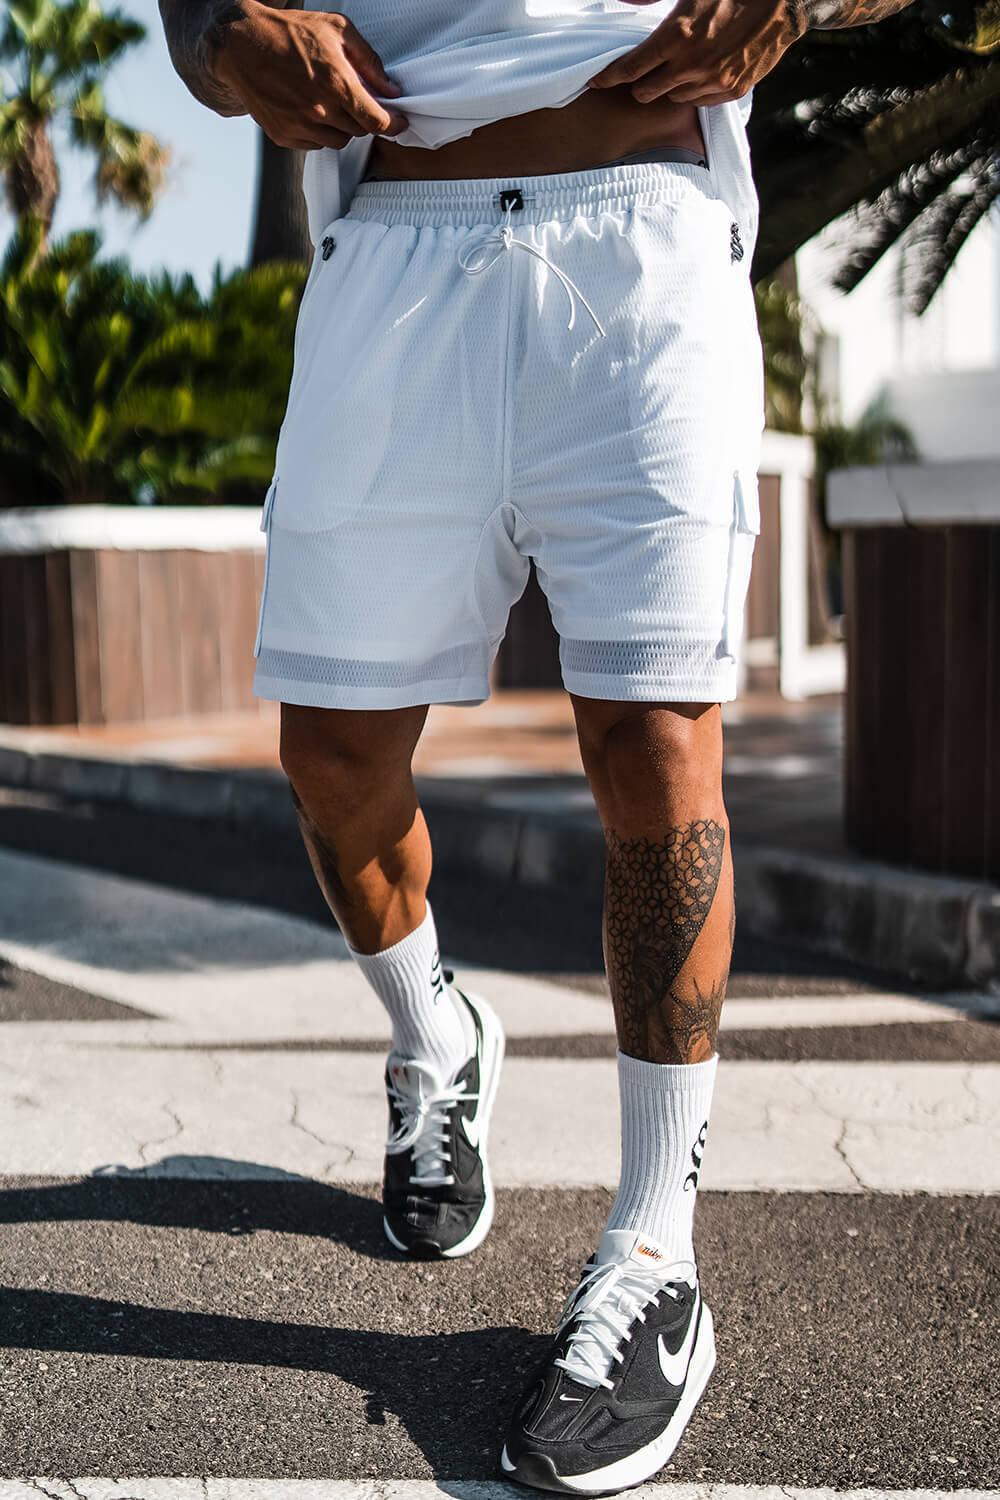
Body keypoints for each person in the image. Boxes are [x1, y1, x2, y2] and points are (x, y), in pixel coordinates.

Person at [159, 0, 912, 1489]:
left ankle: (655, 1253)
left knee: (654, 744)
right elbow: (196, 15)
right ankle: (437, 1036)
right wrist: (212, 33)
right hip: (395, 249)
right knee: (333, 758)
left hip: (642, 231)